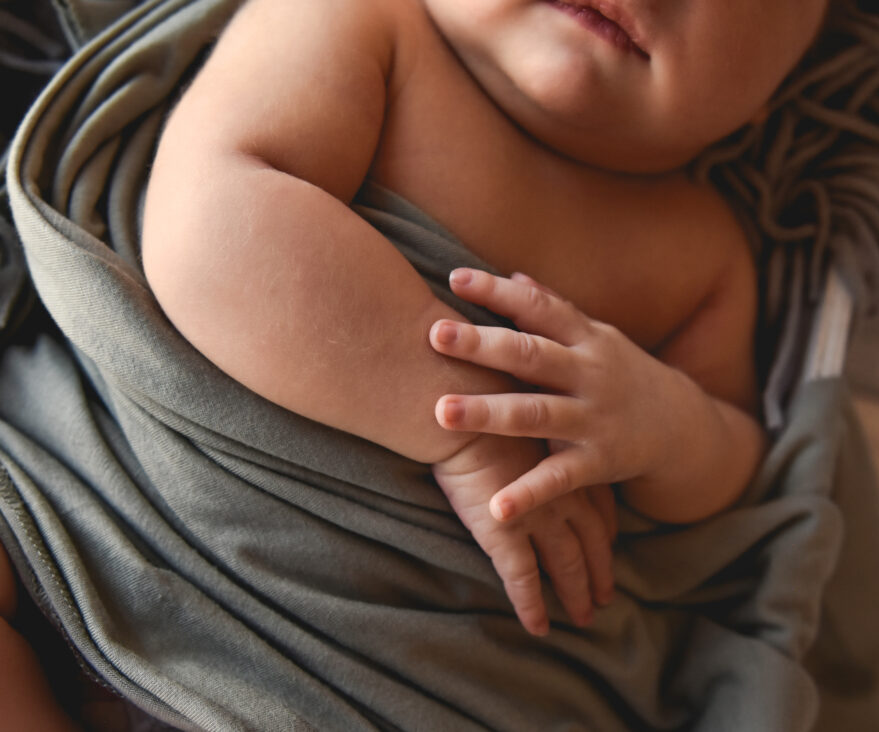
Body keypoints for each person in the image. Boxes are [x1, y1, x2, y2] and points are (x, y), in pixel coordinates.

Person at [139, 0, 829, 638]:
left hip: (428, 667)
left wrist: (665, 425)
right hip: (152, 557)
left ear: (773, 92)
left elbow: (735, 469)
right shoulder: (364, 21)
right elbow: (208, 225)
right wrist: (465, 420)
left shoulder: (702, 251)